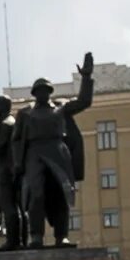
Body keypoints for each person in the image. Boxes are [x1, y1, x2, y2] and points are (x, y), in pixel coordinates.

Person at [11, 52, 95, 248]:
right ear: (34, 93)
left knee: (61, 192)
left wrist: (86, 77)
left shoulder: (61, 107)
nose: (43, 93)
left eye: (46, 90)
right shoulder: (25, 113)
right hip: (34, 153)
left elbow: (84, 102)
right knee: (36, 193)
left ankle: (61, 235)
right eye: (39, 90)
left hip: (58, 152)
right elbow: (16, 140)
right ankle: (36, 236)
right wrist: (17, 163)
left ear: (50, 91)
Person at [0, 95, 21, 251]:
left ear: (2, 106)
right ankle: (18, 240)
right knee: (14, 207)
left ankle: (13, 241)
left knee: (9, 208)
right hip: (9, 171)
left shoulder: (6, 125)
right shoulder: (11, 122)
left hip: (6, 173)